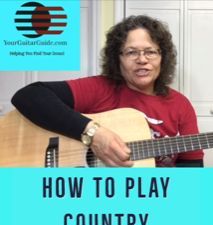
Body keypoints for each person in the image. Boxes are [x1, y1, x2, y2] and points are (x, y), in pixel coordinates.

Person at [11, 15, 204, 167]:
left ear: (163, 57)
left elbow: (192, 170)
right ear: (116, 58)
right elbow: (29, 96)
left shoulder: (180, 105)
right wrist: (93, 134)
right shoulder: (101, 88)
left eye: (151, 51)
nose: (142, 59)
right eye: (131, 52)